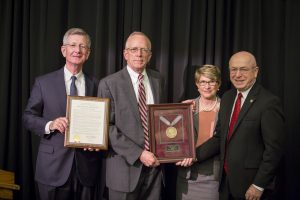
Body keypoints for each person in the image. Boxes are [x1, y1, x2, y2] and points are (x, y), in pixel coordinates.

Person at [23, 28, 103, 200]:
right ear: (63, 50)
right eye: (73, 45)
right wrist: (50, 125)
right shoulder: (44, 82)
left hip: (86, 169)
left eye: (82, 46)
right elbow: (28, 117)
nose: (77, 50)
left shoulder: (98, 85)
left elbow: (103, 122)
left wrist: (98, 141)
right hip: (52, 168)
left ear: (88, 53)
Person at [196, 51, 285, 200]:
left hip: (252, 187)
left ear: (255, 72)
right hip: (226, 184)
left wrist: (258, 185)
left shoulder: (268, 102)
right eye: (233, 69)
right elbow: (220, 137)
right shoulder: (228, 97)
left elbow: (274, 150)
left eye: (243, 69)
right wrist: (193, 155)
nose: (237, 74)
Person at [97, 31, 165, 200]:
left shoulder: (158, 80)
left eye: (144, 50)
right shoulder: (109, 83)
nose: (139, 54)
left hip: (155, 170)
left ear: (150, 55)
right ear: (125, 54)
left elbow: (162, 118)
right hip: (124, 170)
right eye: (134, 49)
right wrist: (140, 154)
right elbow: (106, 126)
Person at [176, 65, 221, 200]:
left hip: (213, 177)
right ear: (197, 84)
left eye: (211, 81)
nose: (207, 86)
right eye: (203, 82)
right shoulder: (187, 107)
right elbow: (173, 137)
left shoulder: (226, 108)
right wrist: (179, 111)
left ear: (218, 84)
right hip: (187, 176)